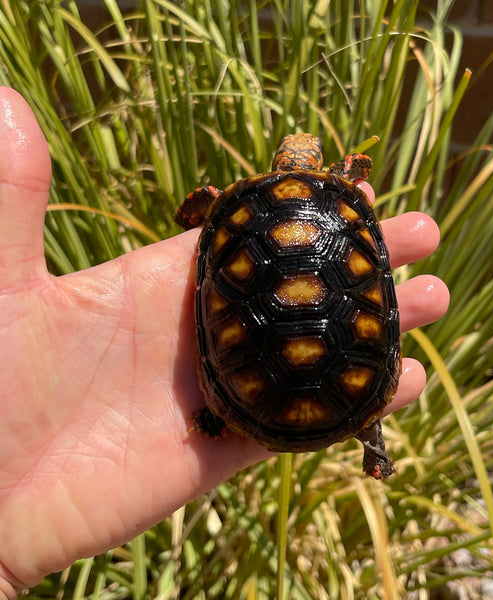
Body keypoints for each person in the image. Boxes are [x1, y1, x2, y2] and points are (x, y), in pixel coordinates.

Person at [0, 86, 449, 599]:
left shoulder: (231, 205)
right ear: (319, 164)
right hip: (346, 385)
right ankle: (371, 439)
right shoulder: (342, 193)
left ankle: (222, 412)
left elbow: (196, 213)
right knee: (362, 379)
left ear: (281, 161)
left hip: (248, 390)